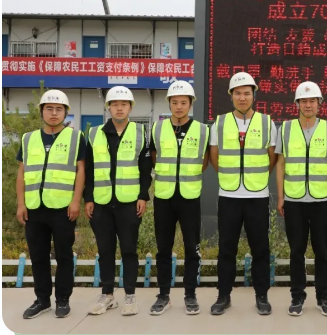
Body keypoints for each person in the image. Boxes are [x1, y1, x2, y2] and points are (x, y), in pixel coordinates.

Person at [209, 72, 277, 316]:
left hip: (257, 195)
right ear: (231, 95)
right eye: (237, 93)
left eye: (247, 93)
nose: (242, 97)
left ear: (253, 95)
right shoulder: (219, 123)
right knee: (226, 248)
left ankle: (262, 296)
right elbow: (214, 156)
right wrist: (231, 177)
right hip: (229, 195)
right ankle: (223, 295)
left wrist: (255, 178)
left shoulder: (267, 123)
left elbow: (272, 158)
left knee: (261, 249)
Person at [16, 89, 86, 319]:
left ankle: (63, 299)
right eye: (49, 109)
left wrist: (76, 201)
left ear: (65, 113)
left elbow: (81, 170)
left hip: (63, 208)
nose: (54, 113)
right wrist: (21, 204)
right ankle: (42, 300)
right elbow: (21, 173)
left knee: (64, 256)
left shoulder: (76, 137)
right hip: (34, 208)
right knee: (38, 256)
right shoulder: (28, 139)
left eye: (59, 109)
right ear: (41, 112)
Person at [85, 86, 152, 316]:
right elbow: (89, 170)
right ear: (109, 108)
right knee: (105, 251)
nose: (119, 108)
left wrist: (143, 196)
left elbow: (145, 169)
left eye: (124, 104)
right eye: (115, 104)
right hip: (101, 203)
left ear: (130, 107)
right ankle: (107, 295)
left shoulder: (140, 132)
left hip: (129, 203)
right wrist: (88, 198)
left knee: (129, 251)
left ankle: (130, 296)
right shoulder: (94, 134)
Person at [276, 81, 327, 317]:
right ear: (297, 104)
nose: (308, 105)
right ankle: (297, 297)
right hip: (294, 199)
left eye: (312, 101)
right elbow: (281, 164)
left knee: (322, 251)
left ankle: (323, 297)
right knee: (296, 251)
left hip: (323, 200)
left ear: (319, 104)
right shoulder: (286, 128)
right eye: (304, 101)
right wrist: (281, 196)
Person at [149, 80, 210, 315]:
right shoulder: (157, 129)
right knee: (163, 249)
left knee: (192, 249)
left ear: (190, 104)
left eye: (183, 102)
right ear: (169, 104)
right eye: (174, 102)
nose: (179, 106)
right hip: (164, 197)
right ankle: (163, 295)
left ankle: (190, 295)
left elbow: (205, 161)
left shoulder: (202, 130)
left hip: (189, 197)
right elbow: (154, 156)